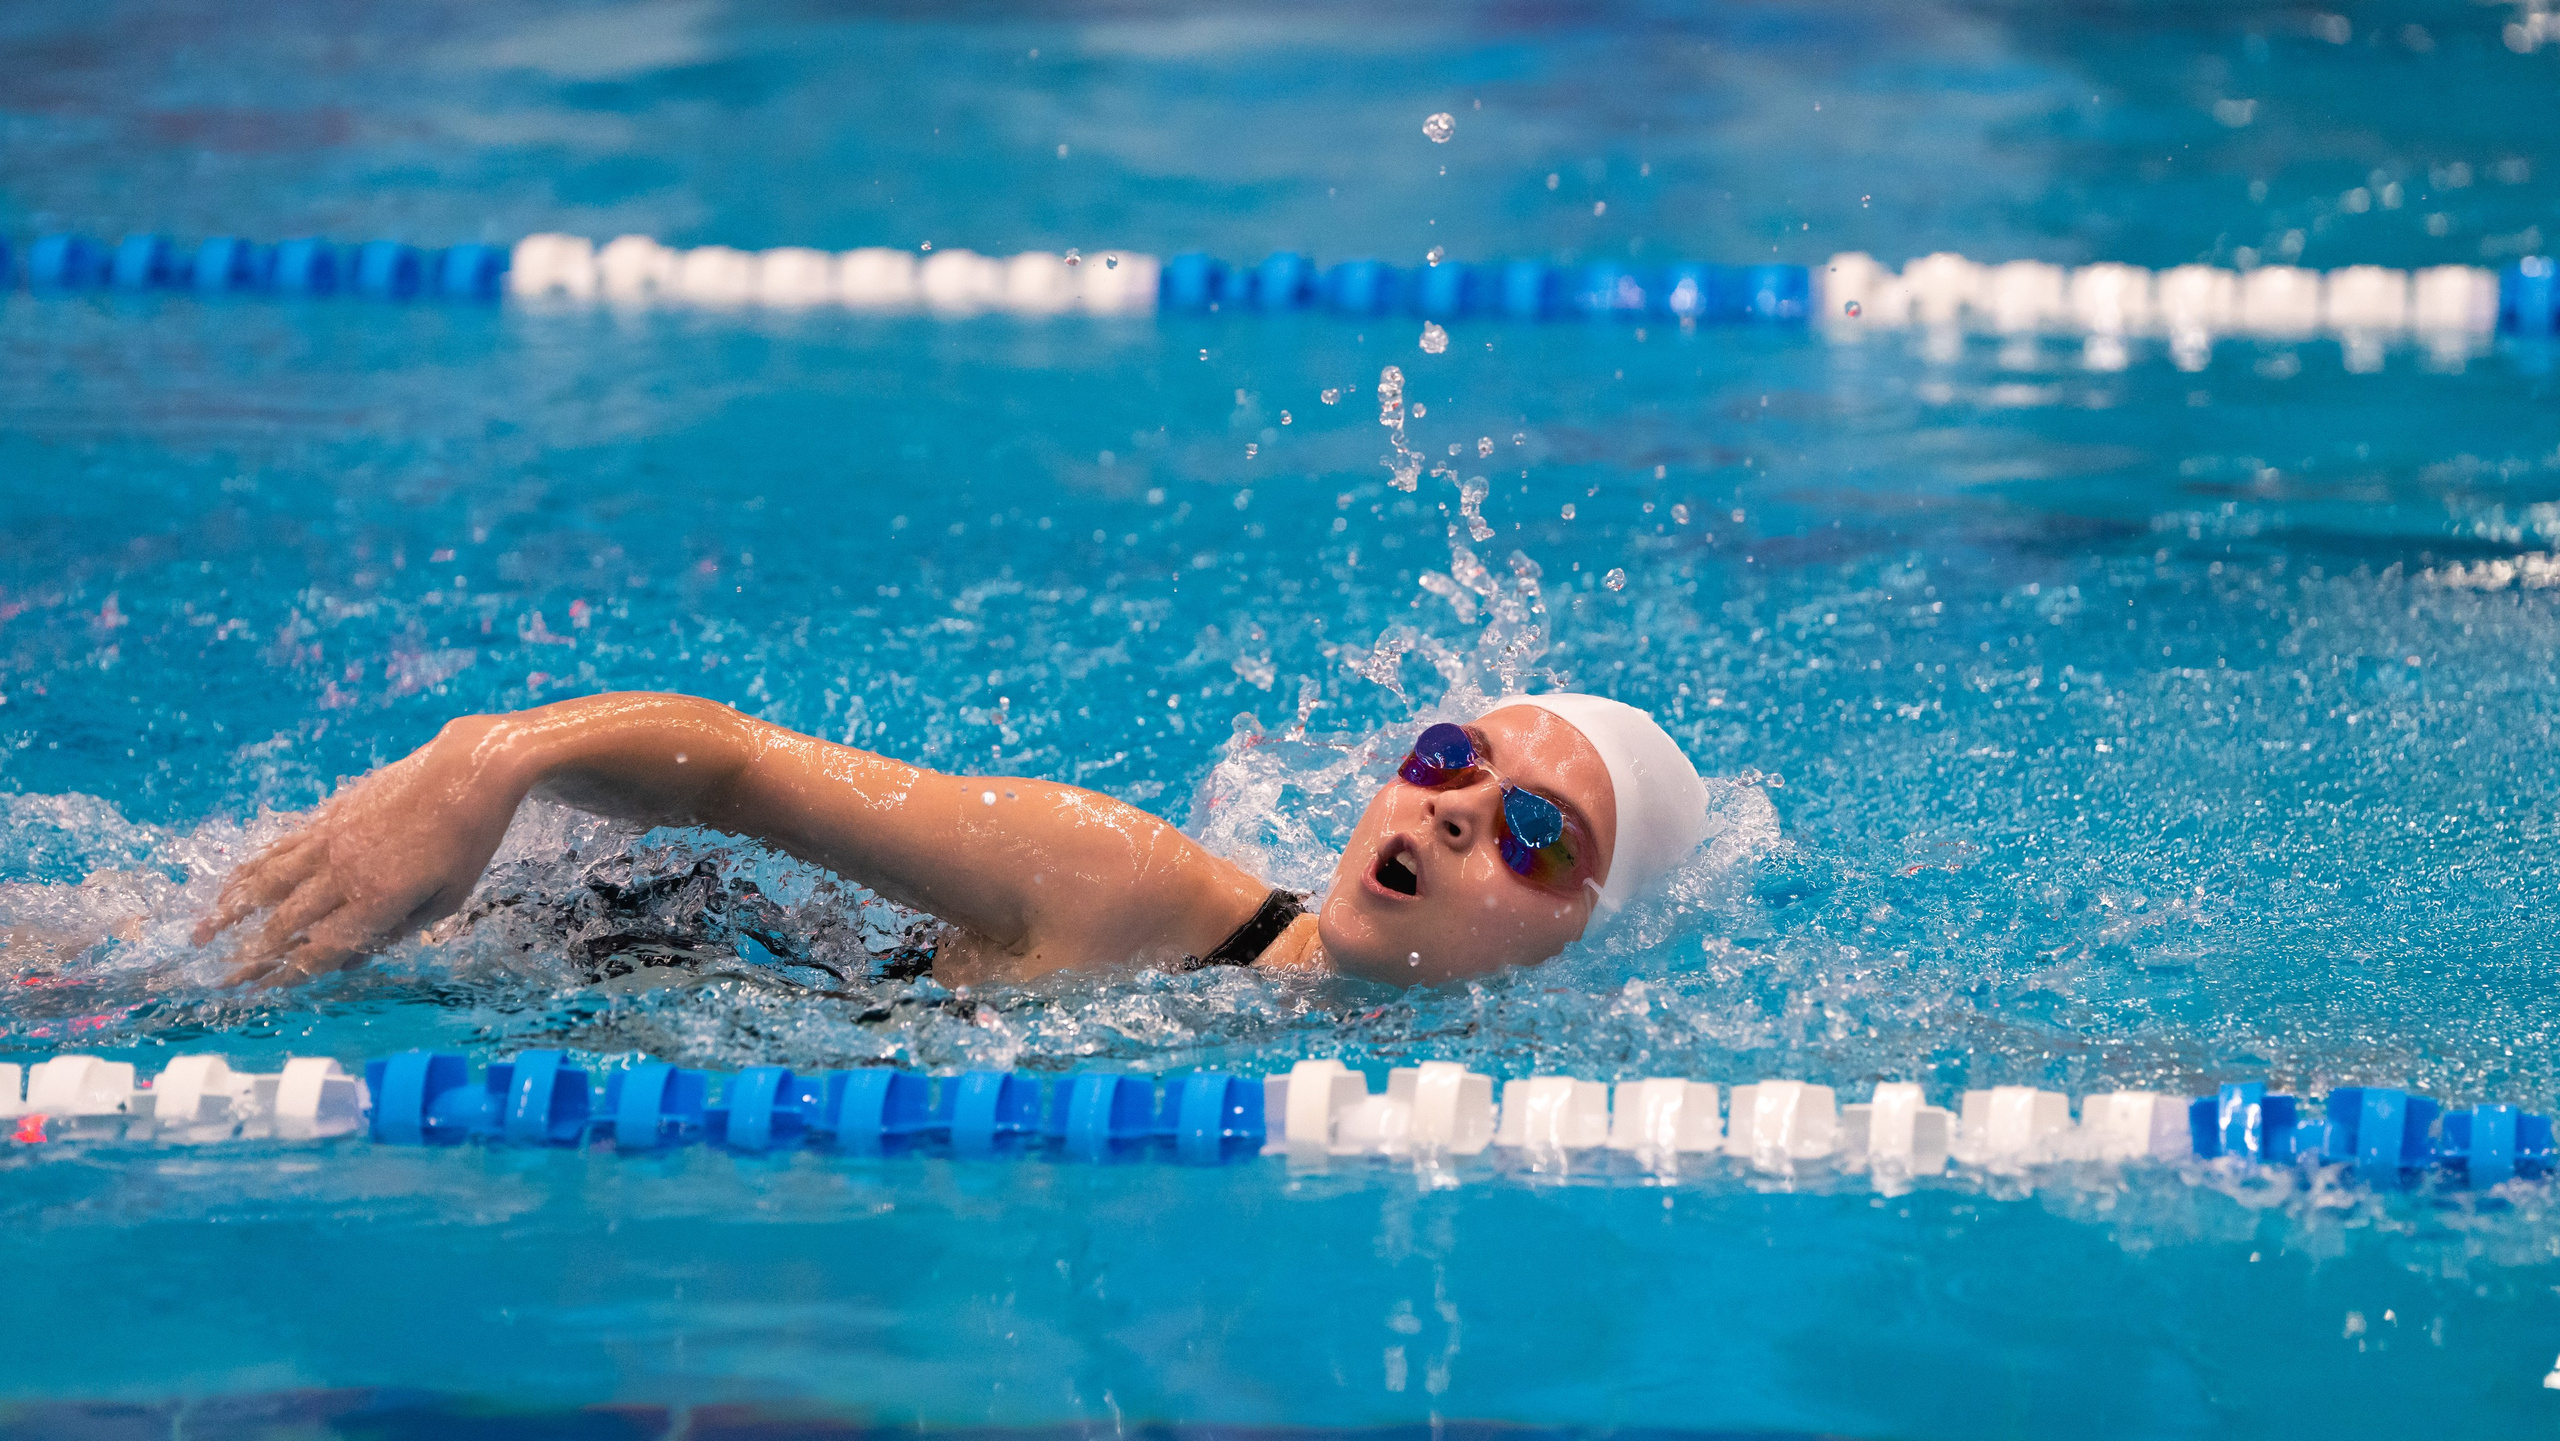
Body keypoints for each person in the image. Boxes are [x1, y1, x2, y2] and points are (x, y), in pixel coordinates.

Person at [194, 690, 1714, 989]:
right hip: (545, 941)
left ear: (1588, 931)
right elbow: (730, 767)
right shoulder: (1132, 887)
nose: (1453, 802)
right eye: (1451, 756)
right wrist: (483, 763)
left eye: (1532, 830)